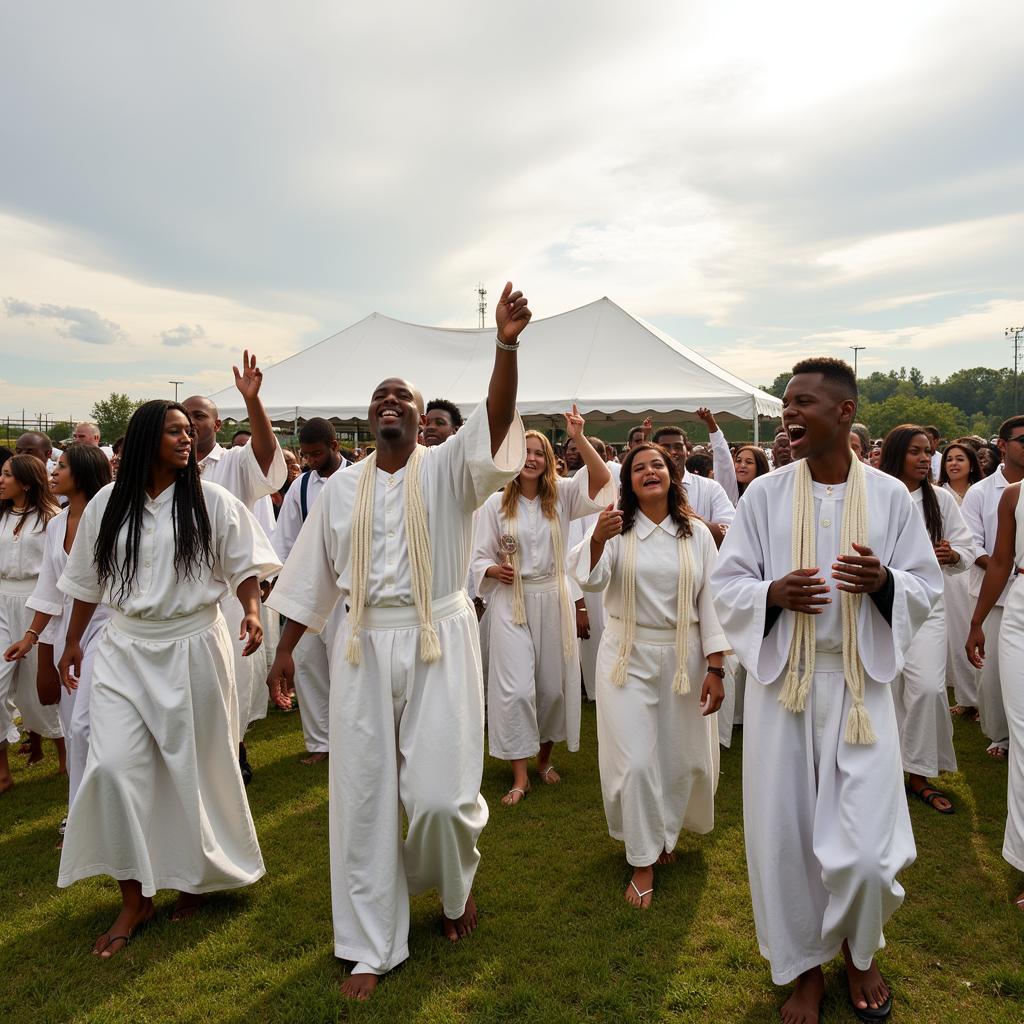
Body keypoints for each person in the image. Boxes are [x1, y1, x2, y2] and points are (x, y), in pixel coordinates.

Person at [264, 281, 531, 1000]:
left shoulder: (448, 469)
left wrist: (504, 347)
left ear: (421, 419)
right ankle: (368, 943)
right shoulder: (341, 489)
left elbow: (497, 418)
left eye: (404, 398)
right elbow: (312, 575)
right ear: (368, 415)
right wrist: (286, 648)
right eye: (381, 396)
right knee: (363, 797)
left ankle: (451, 889)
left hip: (437, 636)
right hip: (358, 644)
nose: (391, 402)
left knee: (441, 799)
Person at [711, 357, 942, 1024]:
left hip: (858, 693)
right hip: (786, 687)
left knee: (868, 853)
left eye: (803, 402)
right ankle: (804, 969)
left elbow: (923, 586)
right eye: (786, 402)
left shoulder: (892, 498)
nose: (789, 413)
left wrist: (886, 585)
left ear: (843, 412)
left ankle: (860, 950)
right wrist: (772, 595)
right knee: (785, 839)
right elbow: (728, 586)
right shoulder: (765, 496)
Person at [55, 400, 280, 957]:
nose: (188, 439)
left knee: (192, 769)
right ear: (146, 438)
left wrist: (251, 610)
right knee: (111, 766)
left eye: (190, 431)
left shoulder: (212, 499)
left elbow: (244, 564)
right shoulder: (108, 503)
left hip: (194, 647)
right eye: (175, 431)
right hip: (123, 650)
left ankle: (193, 878)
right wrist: (69, 644)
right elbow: (86, 582)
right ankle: (134, 897)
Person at [568, 442, 725, 909]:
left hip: (685, 655)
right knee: (635, 760)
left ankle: (665, 835)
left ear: (671, 475)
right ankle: (641, 857)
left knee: (680, 756)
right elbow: (591, 580)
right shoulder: (616, 528)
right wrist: (596, 539)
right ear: (629, 482)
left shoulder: (696, 533)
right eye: (639, 467)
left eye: (657, 464)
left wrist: (716, 667)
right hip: (626, 656)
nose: (649, 471)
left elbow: (711, 600)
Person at [472, 413, 613, 806]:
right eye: (525, 452)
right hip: (510, 601)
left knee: (551, 688)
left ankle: (544, 759)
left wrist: (580, 438)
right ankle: (520, 775)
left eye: (538, 453)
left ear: (548, 459)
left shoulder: (563, 495)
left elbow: (602, 482)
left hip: (553, 597)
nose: (531, 459)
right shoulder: (495, 502)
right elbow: (477, 554)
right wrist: (489, 569)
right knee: (515, 689)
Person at [182, 352, 286, 781]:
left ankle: (235, 753)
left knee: (233, 682)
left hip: (228, 596)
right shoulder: (165, 471)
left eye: (199, 415)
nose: (191, 423)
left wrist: (253, 402)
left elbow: (264, 455)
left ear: (217, 424)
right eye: (183, 418)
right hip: (180, 599)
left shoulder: (233, 465)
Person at [4, 445, 112, 834]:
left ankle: (98, 812)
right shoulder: (56, 524)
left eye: (62, 466)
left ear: (82, 473)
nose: (54, 471)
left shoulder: (111, 518)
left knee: (86, 725)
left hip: (108, 628)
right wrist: (32, 638)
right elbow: (50, 589)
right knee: (72, 723)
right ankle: (82, 811)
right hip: (66, 632)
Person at [879, 426, 975, 815]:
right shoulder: (876, 494)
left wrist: (952, 556)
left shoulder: (940, 500)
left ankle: (918, 774)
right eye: (916, 451)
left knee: (928, 689)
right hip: (881, 605)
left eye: (928, 452)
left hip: (928, 608)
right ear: (896, 453)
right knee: (884, 690)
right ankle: (883, 770)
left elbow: (967, 547)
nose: (925, 458)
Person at [271, 418, 347, 764]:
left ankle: (351, 740)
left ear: (334, 446)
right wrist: (282, 585)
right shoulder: (300, 486)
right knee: (307, 664)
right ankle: (320, 743)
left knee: (345, 668)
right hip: (308, 588)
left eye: (316, 453)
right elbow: (284, 542)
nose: (310, 460)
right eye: (305, 455)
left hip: (346, 591)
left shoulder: (358, 479)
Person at [967, 476, 1024, 911]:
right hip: (1019, 612)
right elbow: (1002, 562)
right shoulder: (1014, 495)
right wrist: (977, 622)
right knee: (1022, 739)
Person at [961, 416, 1024, 760]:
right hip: (995, 594)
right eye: (1022, 440)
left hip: (1018, 584)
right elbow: (974, 544)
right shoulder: (981, 492)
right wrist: (1008, 570)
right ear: (1003, 445)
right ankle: (999, 736)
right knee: (996, 671)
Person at [0, 455, 63, 791]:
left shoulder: (51, 519)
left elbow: (57, 571)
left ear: (26, 482)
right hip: (0, 602)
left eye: (7, 475)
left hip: (38, 604)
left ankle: (66, 758)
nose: (1, 480)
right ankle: (3, 773)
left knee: (41, 690)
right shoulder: (1, 515)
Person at [939, 442, 984, 717]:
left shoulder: (980, 493)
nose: (954, 464)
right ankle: (967, 696)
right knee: (957, 632)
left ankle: (985, 697)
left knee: (980, 631)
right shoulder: (938, 494)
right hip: (952, 573)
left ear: (971, 464)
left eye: (960, 459)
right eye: (949, 460)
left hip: (979, 569)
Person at [652, 426, 734, 545]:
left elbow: (731, 531)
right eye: (665, 447)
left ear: (687, 451)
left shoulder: (710, 488)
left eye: (678, 447)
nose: (673, 452)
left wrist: (694, 521)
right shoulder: (646, 489)